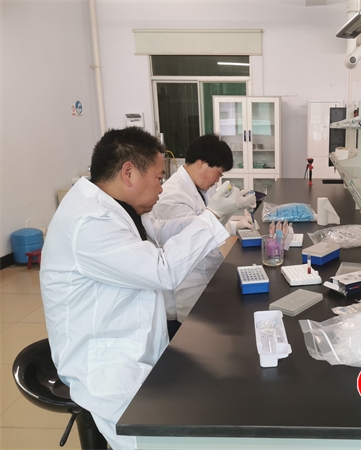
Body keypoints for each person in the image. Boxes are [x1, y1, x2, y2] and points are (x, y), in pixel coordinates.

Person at [40, 127, 255, 449]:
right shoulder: (90, 221)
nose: (162, 187)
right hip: (107, 366)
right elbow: (162, 270)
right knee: (164, 441)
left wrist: (218, 219)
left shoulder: (118, 207)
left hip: (136, 344)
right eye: (158, 178)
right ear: (128, 173)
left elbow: (163, 231)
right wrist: (211, 217)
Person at [150, 134, 257, 326]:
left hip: (203, 276)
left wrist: (233, 222)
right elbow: (194, 236)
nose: (218, 180)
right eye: (219, 173)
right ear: (201, 163)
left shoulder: (197, 188)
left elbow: (205, 222)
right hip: (186, 290)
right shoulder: (173, 196)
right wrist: (224, 211)